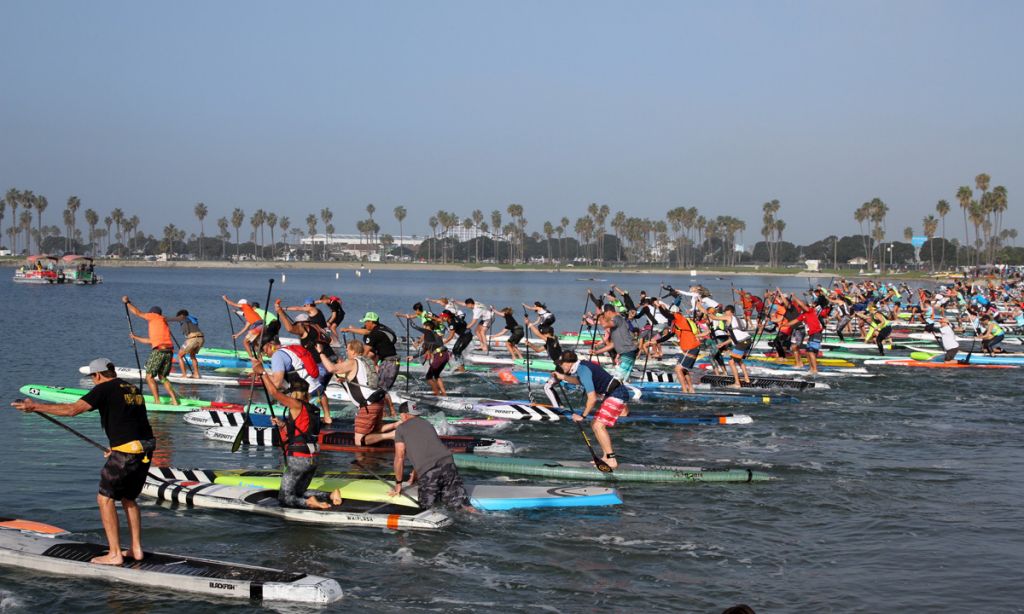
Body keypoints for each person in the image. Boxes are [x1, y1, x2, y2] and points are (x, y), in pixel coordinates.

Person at [12, 358, 156, 565]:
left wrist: (34, 406)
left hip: (127, 452)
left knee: (105, 499)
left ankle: (115, 554)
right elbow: (132, 421)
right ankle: (136, 549)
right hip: (145, 448)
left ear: (96, 375)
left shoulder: (103, 389)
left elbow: (72, 410)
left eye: (92, 377)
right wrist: (117, 449)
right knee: (128, 499)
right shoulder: (132, 388)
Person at [250, 365, 334, 510]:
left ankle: (310, 503)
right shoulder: (314, 409)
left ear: (294, 394)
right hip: (313, 458)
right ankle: (330, 496)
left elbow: (274, 392)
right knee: (299, 492)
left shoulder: (296, 405)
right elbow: (303, 430)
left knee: (285, 498)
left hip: (298, 458)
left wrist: (263, 372)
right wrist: (283, 424)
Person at [380, 403, 475, 511]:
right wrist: (415, 472)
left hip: (429, 473)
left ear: (404, 415)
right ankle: (476, 514)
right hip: (449, 465)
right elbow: (427, 448)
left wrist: (398, 484)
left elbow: (399, 457)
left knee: (427, 510)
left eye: (400, 416)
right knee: (462, 506)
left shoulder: (401, 429)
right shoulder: (427, 423)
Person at [552, 350, 629, 469]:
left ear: (567, 363)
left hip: (617, 394)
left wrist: (582, 416)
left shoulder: (583, 370)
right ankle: (606, 457)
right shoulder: (582, 367)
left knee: (598, 425)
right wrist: (562, 377)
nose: (560, 366)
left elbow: (592, 398)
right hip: (613, 393)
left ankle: (612, 459)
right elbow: (580, 381)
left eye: (561, 364)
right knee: (595, 424)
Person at [318, 340, 388, 446]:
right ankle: (398, 425)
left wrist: (320, 353)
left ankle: (393, 434)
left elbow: (331, 368)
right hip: (378, 401)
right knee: (375, 431)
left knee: (359, 441)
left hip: (368, 406)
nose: (346, 352)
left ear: (354, 351)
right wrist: (346, 381)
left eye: (347, 350)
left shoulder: (352, 362)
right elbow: (362, 379)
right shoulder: (367, 361)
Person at [340, 312, 400, 416]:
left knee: (380, 389)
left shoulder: (374, 334)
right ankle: (388, 412)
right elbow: (365, 331)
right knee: (380, 388)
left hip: (390, 362)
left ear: (371, 322)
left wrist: (354, 362)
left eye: (366, 322)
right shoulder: (380, 329)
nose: (365, 324)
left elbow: (365, 352)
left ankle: (388, 412)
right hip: (390, 361)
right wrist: (350, 330)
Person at [123, 296, 179, 405]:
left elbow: (137, 313)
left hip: (159, 351)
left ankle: (157, 401)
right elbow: (150, 341)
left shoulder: (154, 316)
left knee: (149, 377)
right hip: (169, 351)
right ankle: (174, 400)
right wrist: (135, 337)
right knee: (162, 377)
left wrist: (127, 302)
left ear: (152, 313)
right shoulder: (162, 322)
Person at [656, 300, 704, 393]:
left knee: (678, 369)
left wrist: (659, 306)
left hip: (691, 346)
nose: (670, 315)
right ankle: (691, 389)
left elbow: (667, 315)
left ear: (673, 312)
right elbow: (669, 336)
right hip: (690, 347)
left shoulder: (679, 317)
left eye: (671, 313)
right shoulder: (676, 324)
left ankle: (684, 390)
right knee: (684, 370)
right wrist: (656, 341)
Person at [593, 304, 638, 381]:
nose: (604, 316)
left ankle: (612, 391)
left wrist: (599, 315)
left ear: (608, 312)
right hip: (626, 353)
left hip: (627, 353)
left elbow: (604, 325)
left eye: (604, 314)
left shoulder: (617, 318)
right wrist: (597, 352)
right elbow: (613, 344)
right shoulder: (616, 325)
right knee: (621, 380)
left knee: (616, 381)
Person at [166, 309, 204, 379]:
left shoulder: (183, 317)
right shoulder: (192, 319)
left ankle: (184, 375)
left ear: (182, 315)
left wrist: (163, 319)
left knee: (180, 356)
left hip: (193, 338)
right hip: (201, 338)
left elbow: (173, 319)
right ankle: (196, 374)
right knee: (192, 356)